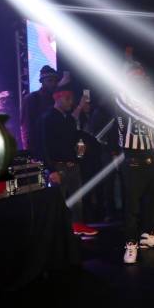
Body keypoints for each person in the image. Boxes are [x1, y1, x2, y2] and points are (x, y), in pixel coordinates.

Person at [116, 63, 154, 264]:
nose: (140, 79)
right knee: (132, 205)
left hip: (151, 158)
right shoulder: (121, 95)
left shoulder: (148, 98)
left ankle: (148, 234)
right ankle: (131, 243)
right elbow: (143, 115)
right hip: (132, 160)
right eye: (135, 76)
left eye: (142, 76)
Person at [40, 84, 98, 236]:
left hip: (73, 166)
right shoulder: (47, 118)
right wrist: (51, 170)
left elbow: (76, 140)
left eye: (71, 99)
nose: (70, 102)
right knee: (58, 201)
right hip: (58, 167)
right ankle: (57, 231)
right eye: (68, 99)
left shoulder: (69, 120)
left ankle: (77, 227)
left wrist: (80, 155)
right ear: (58, 98)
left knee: (77, 201)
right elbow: (44, 146)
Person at [21, 65, 59, 158]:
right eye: (50, 80)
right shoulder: (32, 98)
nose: (53, 84)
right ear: (41, 81)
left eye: (55, 81)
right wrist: (29, 150)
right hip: (37, 149)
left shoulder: (56, 99)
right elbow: (26, 125)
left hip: (54, 148)